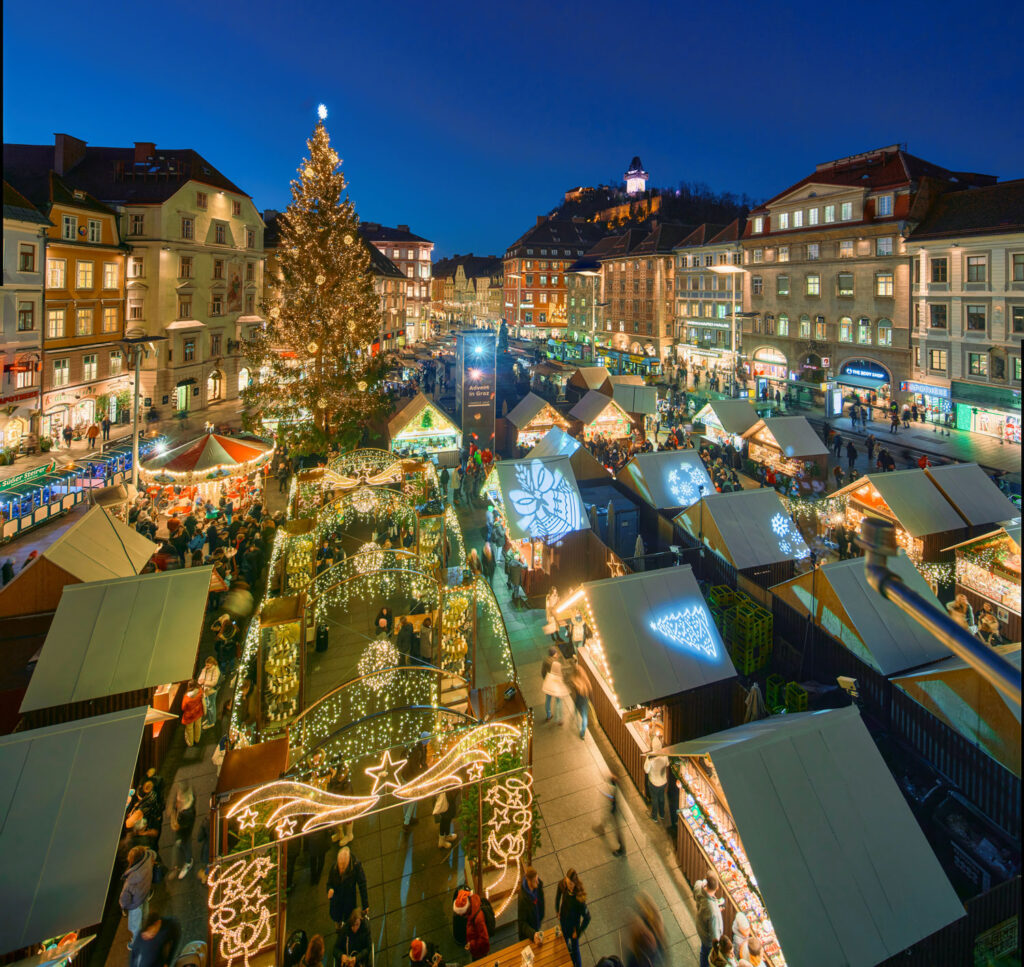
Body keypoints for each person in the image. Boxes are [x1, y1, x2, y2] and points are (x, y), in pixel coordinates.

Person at [120, 845, 156, 945]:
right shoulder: (148, 857)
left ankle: (135, 944)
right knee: (145, 914)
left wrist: (124, 906)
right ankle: (146, 928)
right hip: (144, 893)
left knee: (135, 925)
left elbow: (124, 898)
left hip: (135, 903)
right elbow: (154, 854)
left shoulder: (132, 879)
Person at [327, 847, 369, 930]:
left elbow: (362, 885)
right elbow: (329, 883)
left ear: (348, 862)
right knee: (337, 919)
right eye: (340, 865)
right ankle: (339, 928)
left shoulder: (356, 866)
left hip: (348, 901)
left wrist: (365, 905)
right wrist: (329, 889)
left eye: (343, 866)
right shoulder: (334, 867)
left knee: (349, 919)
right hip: (337, 902)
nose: (341, 869)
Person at [556, 872, 590, 967]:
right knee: (565, 944)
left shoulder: (579, 899)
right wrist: (557, 910)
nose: (568, 886)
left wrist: (578, 932)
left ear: (575, 883)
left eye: (571, 884)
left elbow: (588, 917)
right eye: (567, 883)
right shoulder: (563, 885)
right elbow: (558, 895)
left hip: (573, 928)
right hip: (564, 922)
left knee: (575, 949)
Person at [694, 872, 725, 967]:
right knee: (707, 954)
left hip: (700, 925)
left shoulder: (698, 885)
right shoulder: (714, 912)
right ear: (717, 888)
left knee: (703, 951)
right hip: (707, 937)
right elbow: (715, 935)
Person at [593, 771, 625, 856]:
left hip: (614, 810)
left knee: (617, 830)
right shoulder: (614, 784)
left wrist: (605, 794)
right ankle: (601, 827)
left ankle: (622, 849)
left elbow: (612, 798)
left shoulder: (615, 787)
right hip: (612, 809)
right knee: (606, 817)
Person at [401, 735, 429, 831]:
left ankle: (407, 818)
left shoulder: (420, 747)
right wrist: (423, 771)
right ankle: (406, 822)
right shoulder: (417, 751)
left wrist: (425, 766)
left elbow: (422, 761)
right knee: (412, 799)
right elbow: (414, 767)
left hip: (407, 775)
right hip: (409, 777)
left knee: (409, 799)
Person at [169, 781, 196, 879]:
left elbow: (180, 826)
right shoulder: (187, 801)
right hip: (182, 829)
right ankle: (177, 866)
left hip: (185, 833)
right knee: (179, 844)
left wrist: (175, 822)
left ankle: (188, 862)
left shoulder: (187, 813)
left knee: (185, 844)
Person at [453, 889, 490, 959]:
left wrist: (471, 945)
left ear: (466, 909)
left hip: (480, 952)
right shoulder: (472, 910)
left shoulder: (478, 919)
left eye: (462, 914)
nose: (461, 916)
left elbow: (484, 940)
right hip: (476, 948)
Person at [517, 865, 546, 942]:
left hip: (536, 923)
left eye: (537, 879)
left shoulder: (538, 886)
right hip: (528, 934)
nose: (538, 882)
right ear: (528, 881)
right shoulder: (523, 899)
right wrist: (533, 934)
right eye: (535, 881)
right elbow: (522, 922)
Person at [645, 736, 669, 824]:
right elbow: (667, 764)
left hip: (653, 782)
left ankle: (654, 816)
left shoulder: (650, 757)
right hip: (663, 782)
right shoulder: (664, 755)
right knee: (661, 797)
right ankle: (662, 814)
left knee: (654, 799)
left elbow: (646, 770)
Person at [542, 647, 569, 724]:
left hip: (548, 682)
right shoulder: (556, 663)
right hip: (555, 685)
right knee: (558, 701)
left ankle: (548, 715)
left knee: (548, 700)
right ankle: (559, 719)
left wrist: (545, 679)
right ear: (554, 654)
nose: (557, 654)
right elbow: (560, 674)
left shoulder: (545, 660)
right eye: (556, 653)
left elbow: (543, 672)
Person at [197, 655, 221, 730]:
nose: (206, 666)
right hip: (206, 691)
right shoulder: (206, 668)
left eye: (208, 665)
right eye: (206, 665)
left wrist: (204, 682)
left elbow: (214, 683)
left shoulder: (216, 671)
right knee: (208, 706)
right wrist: (200, 681)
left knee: (211, 707)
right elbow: (201, 676)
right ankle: (209, 719)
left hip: (211, 691)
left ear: (212, 664)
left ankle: (211, 722)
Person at [571, 663, 591, 740]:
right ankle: (582, 733)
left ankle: (574, 718)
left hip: (578, 700)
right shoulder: (585, 681)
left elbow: (573, 693)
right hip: (584, 700)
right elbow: (590, 690)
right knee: (585, 717)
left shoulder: (575, 681)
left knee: (576, 711)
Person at [181, 681, 204, 747]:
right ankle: (197, 740)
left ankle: (191, 743)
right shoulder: (200, 691)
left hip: (189, 715)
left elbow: (183, 707)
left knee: (189, 729)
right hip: (198, 711)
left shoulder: (186, 697)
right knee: (198, 726)